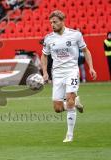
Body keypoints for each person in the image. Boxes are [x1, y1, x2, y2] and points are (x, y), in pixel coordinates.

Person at [41, 10, 97, 143]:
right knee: (57, 109)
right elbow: (44, 55)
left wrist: (91, 67)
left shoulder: (75, 35)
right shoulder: (49, 38)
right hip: (57, 73)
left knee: (70, 101)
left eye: (55, 22)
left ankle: (69, 135)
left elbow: (86, 50)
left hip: (71, 71)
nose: (52, 25)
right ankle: (75, 103)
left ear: (62, 21)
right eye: (51, 23)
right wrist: (45, 72)